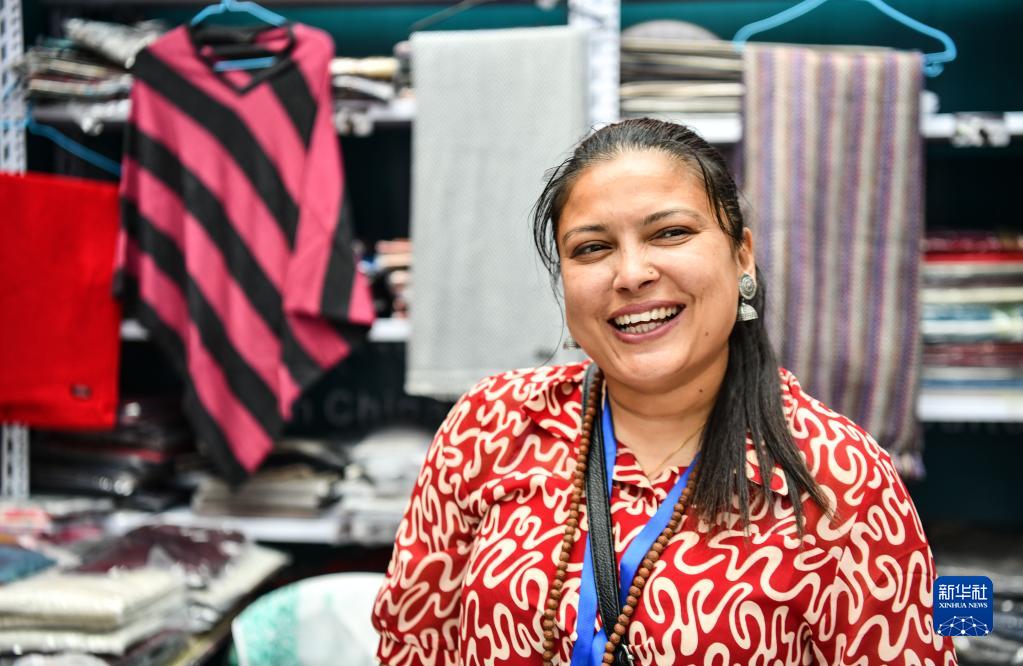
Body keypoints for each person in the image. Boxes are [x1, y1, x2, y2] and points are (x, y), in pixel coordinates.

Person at [371, 118, 957, 666]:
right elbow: (412, 644)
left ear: (742, 256)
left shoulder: (840, 478)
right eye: (592, 248)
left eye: (670, 233)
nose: (631, 274)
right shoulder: (492, 426)